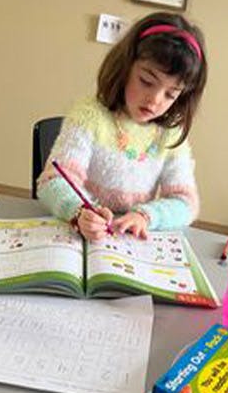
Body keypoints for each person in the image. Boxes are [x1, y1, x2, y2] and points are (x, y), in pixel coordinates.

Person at [37, 12, 207, 241]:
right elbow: (51, 182)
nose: (155, 100)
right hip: (78, 236)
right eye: (146, 81)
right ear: (125, 67)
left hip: (129, 244)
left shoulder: (170, 134)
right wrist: (79, 212)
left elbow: (186, 204)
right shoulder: (89, 115)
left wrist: (146, 216)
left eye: (171, 94)